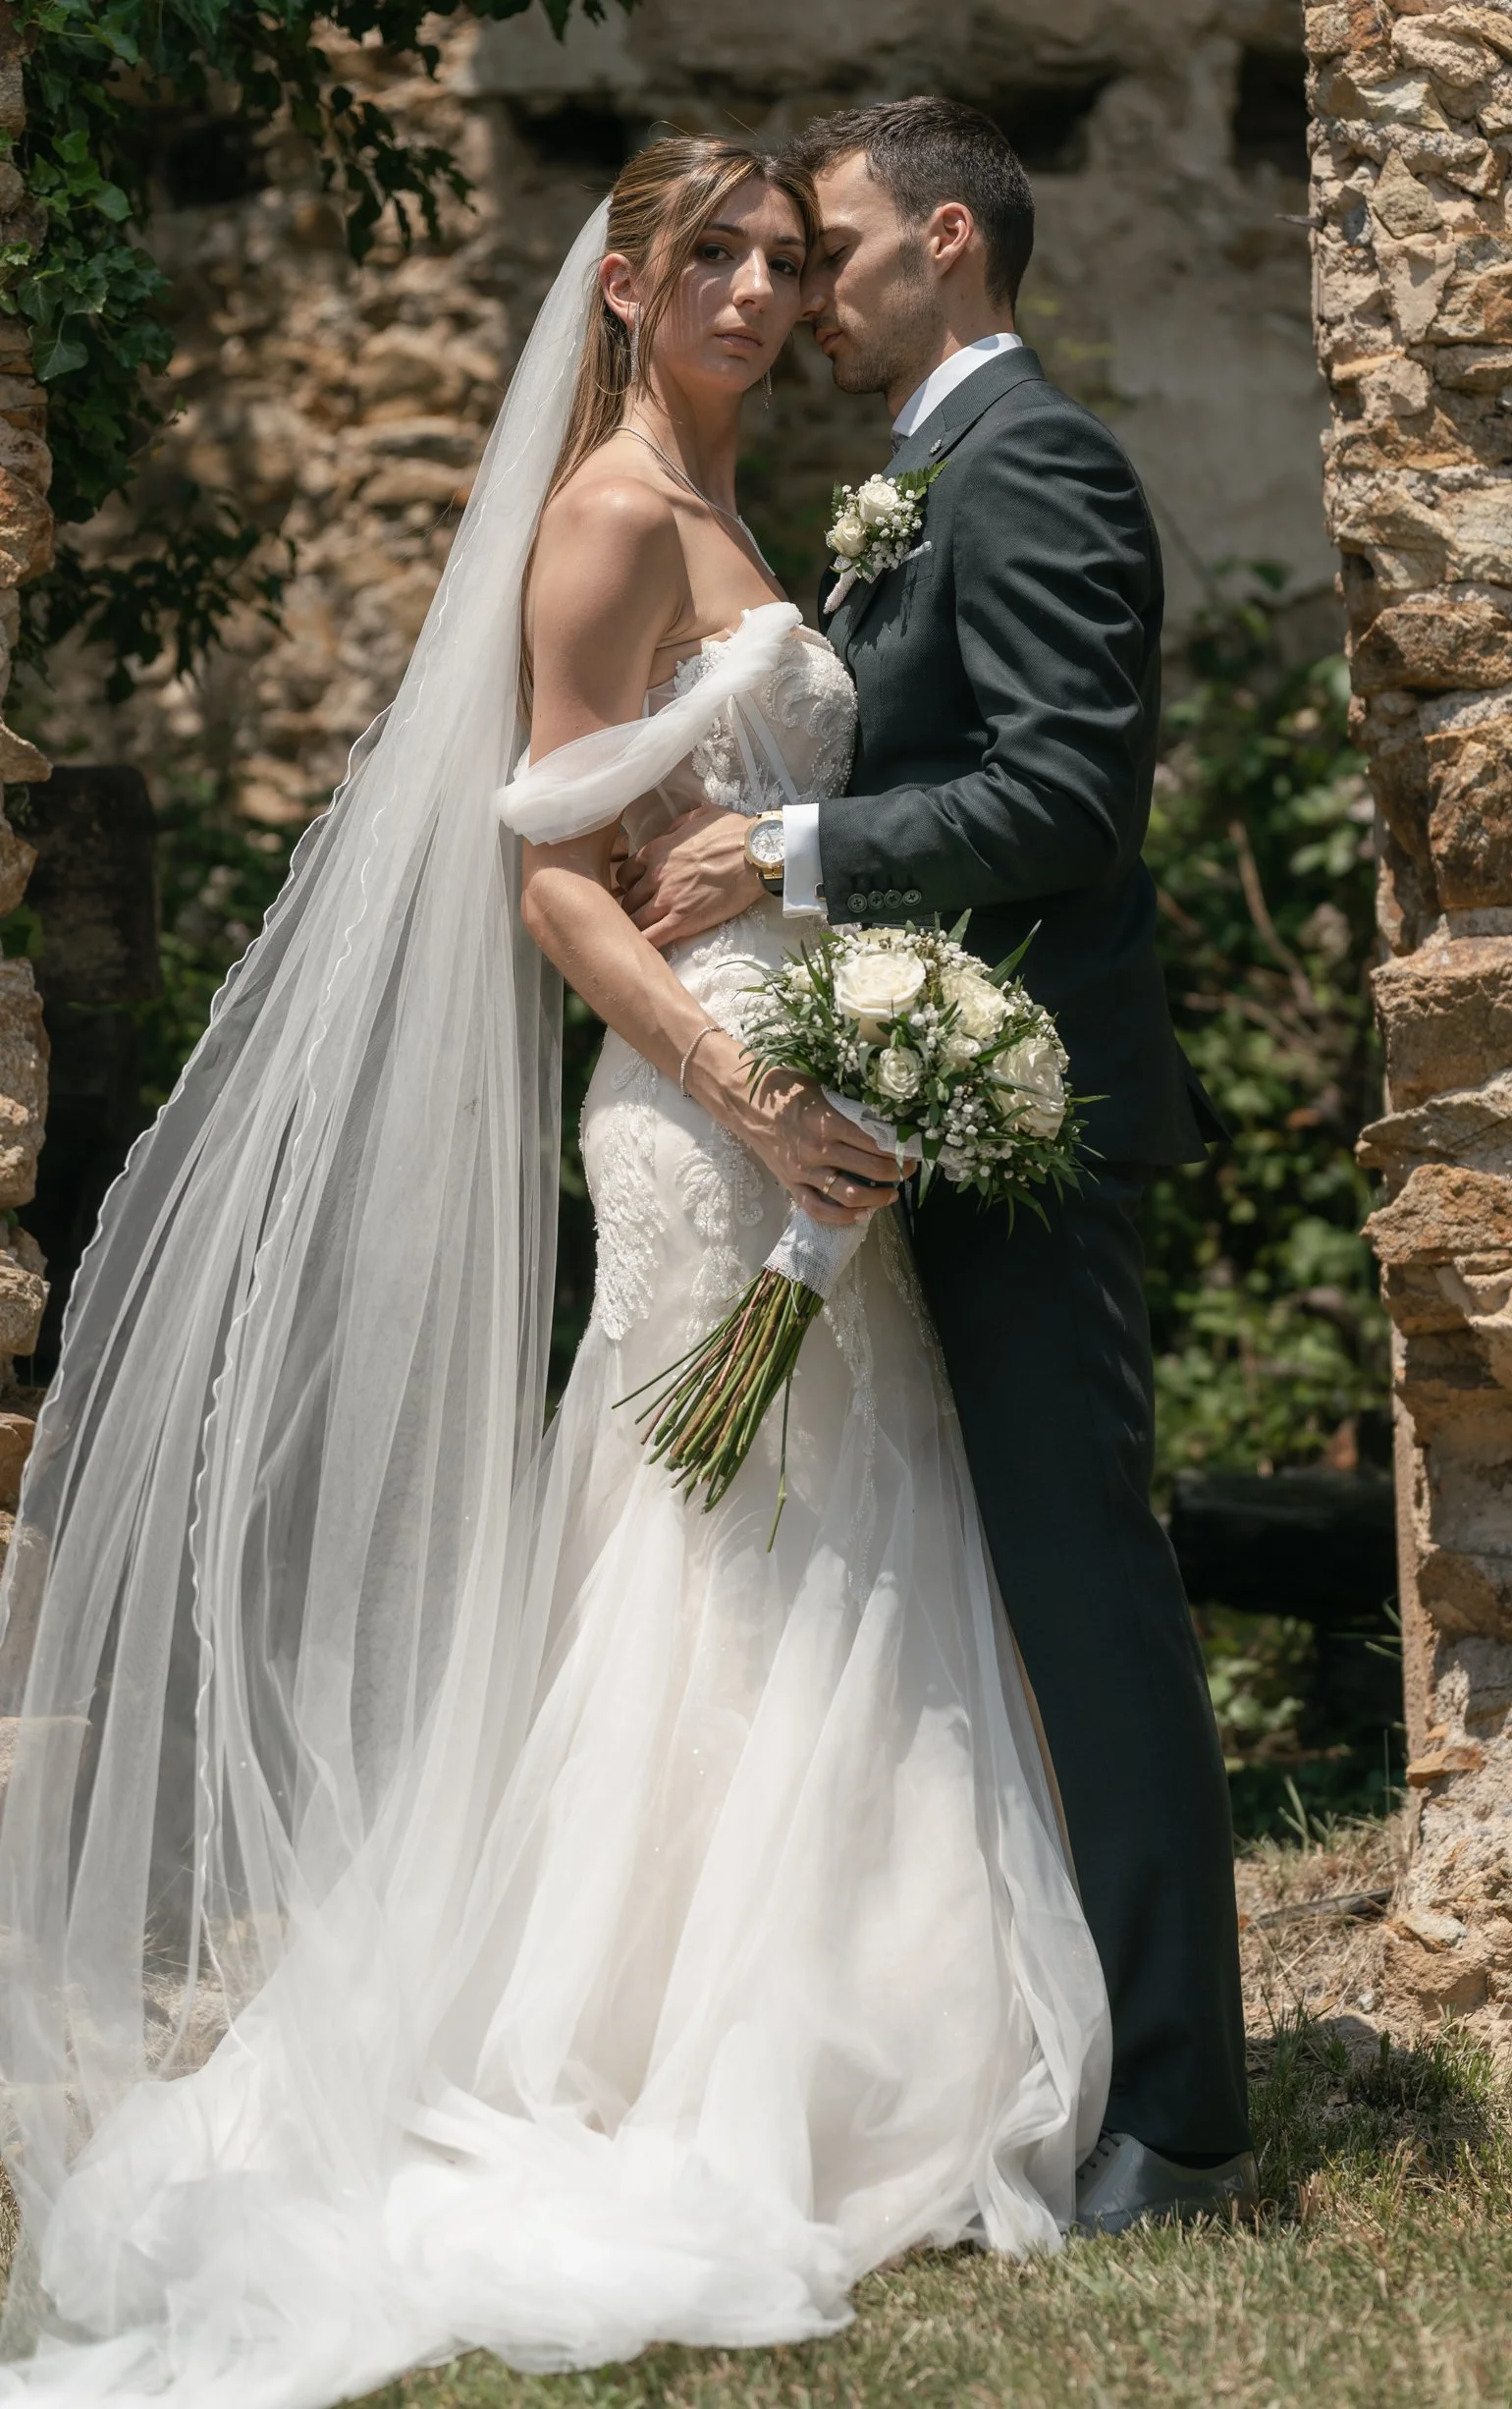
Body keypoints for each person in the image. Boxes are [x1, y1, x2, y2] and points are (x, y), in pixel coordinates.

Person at [0, 137, 1113, 2406]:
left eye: (781, 258)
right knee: (706, 1555)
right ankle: (633, 2036)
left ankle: (874, 2015)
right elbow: (551, 878)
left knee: (842, 1536)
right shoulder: (607, 512)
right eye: (708, 254)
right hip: (706, 1119)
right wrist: (740, 1085)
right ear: (617, 285)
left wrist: (851, 1055)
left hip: (824, 1098)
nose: (753, 289)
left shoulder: (750, 504)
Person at [619, 98, 1256, 2231]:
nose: (805, 294)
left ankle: (1179, 2103)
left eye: (839, 248)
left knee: (1085, 1589)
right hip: (909, 1109)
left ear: (949, 243)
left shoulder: (1037, 460)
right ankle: (1022, 2039)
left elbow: (1068, 793)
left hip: (1030, 1108)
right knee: (973, 1596)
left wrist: (787, 847)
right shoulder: (912, 478)